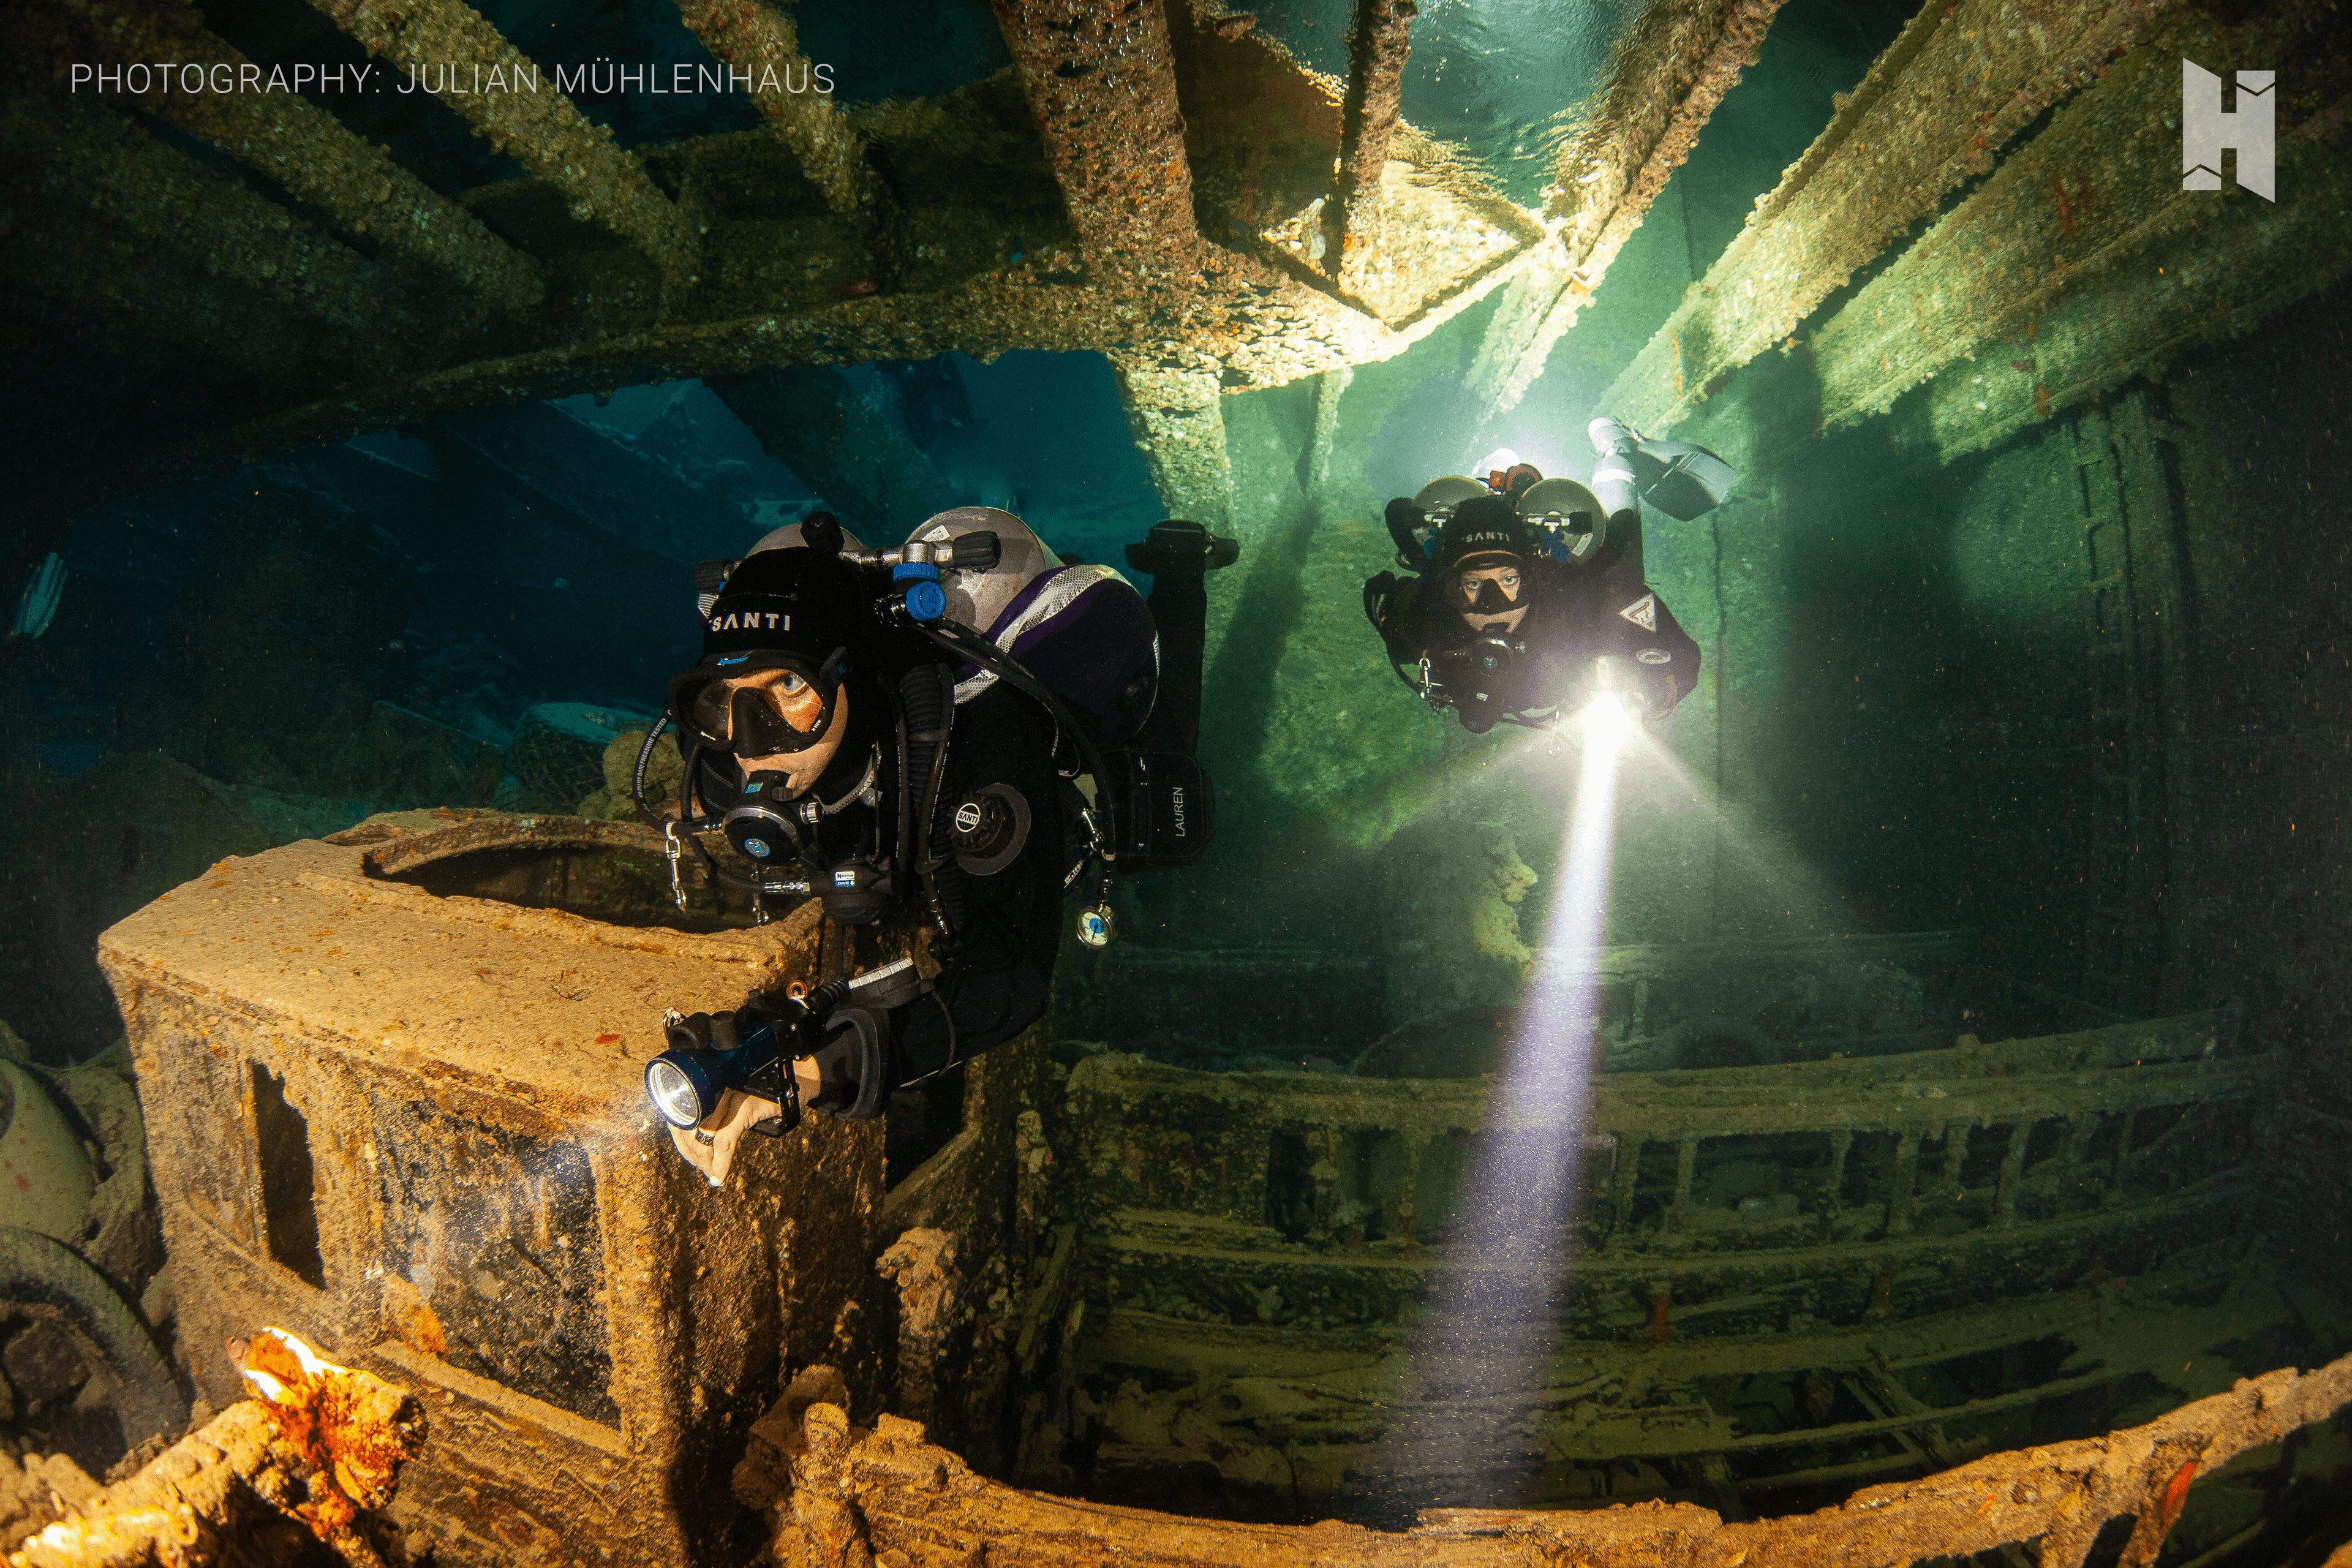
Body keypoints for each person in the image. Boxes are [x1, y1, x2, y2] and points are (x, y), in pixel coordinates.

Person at [644, 508, 1229, 1185]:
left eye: (790, 686)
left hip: (1041, 802)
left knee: (1169, 754)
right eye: (724, 700)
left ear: (850, 678)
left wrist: (814, 1072)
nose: (752, 740)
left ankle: (1182, 573)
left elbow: (1010, 978)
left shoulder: (979, 739)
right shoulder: (722, 760)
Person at [1361, 418, 1730, 734]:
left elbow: (1678, 661)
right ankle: (1488, 484)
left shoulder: (1590, 607)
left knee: (1618, 562)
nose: (1492, 607)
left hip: (1582, 586)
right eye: (1473, 584)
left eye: (1509, 581)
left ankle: (1617, 453)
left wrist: (1643, 694)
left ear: (1533, 579)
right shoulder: (1423, 620)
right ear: (1451, 588)